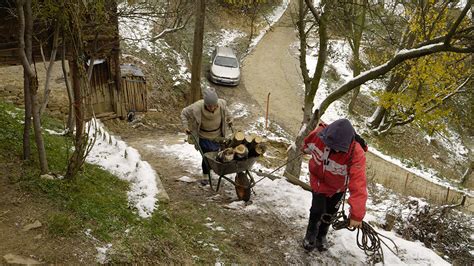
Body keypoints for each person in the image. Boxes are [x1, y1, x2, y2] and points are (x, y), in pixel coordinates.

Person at [301, 118, 368, 252]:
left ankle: (321, 236)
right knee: (317, 210)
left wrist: (356, 215)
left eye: (336, 149)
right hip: (318, 181)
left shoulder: (356, 153)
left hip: (338, 188)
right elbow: (307, 144)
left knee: (330, 213)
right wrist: (305, 149)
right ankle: (310, 235)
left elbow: (359, 184)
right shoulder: (319, 133)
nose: (332, 149)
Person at [180, 88, 233, 183]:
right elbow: (184, 113)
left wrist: (230, 119)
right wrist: (185, 126)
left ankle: (211, 169)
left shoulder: (221, 104)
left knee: (216, 155)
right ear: (205, 104)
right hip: (204, 137)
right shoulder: (197, 107)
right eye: (209, 106)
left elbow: (229, 114)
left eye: (214, 106)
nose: (212, 108)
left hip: (218, 136)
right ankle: (205, 175)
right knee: (206, 156)